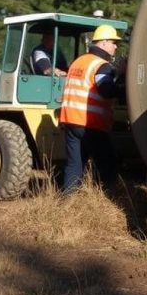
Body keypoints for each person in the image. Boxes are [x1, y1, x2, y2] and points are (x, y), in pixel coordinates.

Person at [59, 24, 125, 193]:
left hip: (70, 119)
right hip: (90, 122)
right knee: (108, 163)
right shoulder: (102, 65)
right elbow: (106, 90)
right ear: (103, 43)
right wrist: (123, 83)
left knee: (75, 164)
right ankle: (113, 198)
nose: (116, 46)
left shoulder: (78, 62)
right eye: (113, 42)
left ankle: (68, 202)